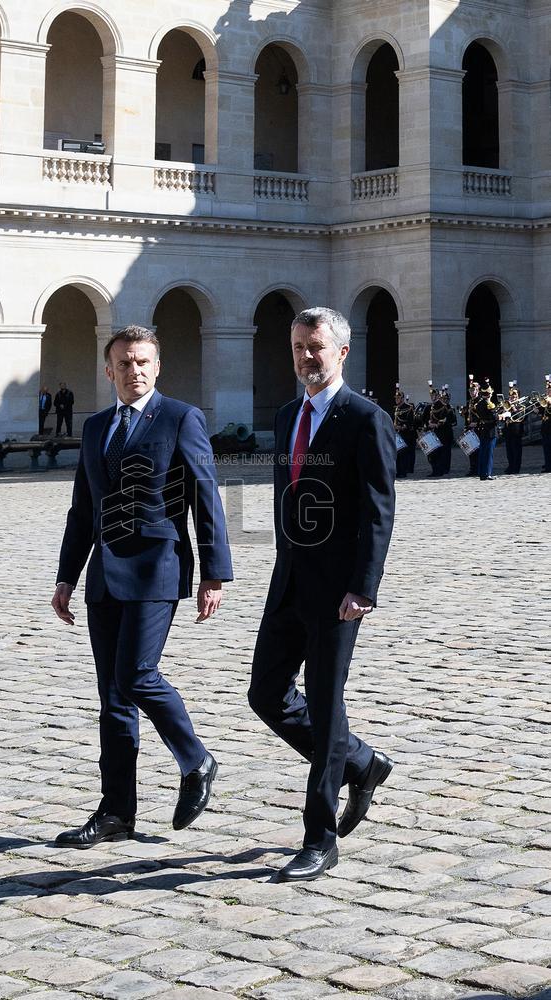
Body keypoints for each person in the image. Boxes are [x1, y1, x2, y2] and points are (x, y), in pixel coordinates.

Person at [51, 325, 233, 848]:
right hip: (104, 575)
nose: (135, 370)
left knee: (136, 674)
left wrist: (213, 572)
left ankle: (195, 759)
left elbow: (205, 496)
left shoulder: (181, 417)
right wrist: (67, 575)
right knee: (112, 696)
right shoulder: (96, 427)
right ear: (109, 370)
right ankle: (116, 811)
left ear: (157, 367)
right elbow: (82, 508)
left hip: (158, 568)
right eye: (126, 362)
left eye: (144, 361)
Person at [248, 307, 396, 882]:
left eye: (316, 347)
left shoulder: (366, 418)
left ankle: (320, 838)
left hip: (339, 591)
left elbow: (379, 510)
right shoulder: (289, 415)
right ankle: (361, 762)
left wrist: (364, 587)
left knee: (326, 704)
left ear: (342, 351)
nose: (306, 357)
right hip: (289, 580)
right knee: (266, 693)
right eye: (298, 347)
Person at [475, 378, 498, 481]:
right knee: (489, 454)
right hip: (490, 431)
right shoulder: (489, 404)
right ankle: (487, 473)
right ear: (489, 394)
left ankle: (481, 473)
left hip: (483, 430)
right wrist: (501, 415)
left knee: (483, 452)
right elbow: (494, 418)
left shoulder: (479, 404)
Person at [500, 382, 525, 475]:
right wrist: (503, 411)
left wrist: (513, 407)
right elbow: (503, 417)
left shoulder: (522, 405)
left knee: (516, 450)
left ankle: (516, 468)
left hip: (517, 431)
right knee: (509, 451)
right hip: (508, 431)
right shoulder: (507, 405)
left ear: (518, 396)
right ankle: (510, 466)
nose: (512, 397)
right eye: (511, 396)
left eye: (514, 396)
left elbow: (520, 416)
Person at [394, 385, 415, 478]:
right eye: (396, 398)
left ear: (402, 399)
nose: (396, 399)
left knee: (403, 454)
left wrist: (401, 427)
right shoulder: (397, 408)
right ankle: (398, 471)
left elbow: (410, 422)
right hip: (398, 434)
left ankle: (403, 471)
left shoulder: (408, 408)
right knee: (397, 454)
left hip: (406, 434)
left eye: (398, 398)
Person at [461, 376, 481, 477]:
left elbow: (483, 416)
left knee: (477, 451)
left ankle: (478, 468)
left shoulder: (480, 401)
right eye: (470, 390)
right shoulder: (470, 402)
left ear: (478, 390)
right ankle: (473, 468)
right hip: (470, 428)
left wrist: (477, 423)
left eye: (473, 390)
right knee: (471, 450)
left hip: (478, 428)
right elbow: (468, 416)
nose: (472, 392)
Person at [537, 374, 551, 473]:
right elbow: (542, 412)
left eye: (549, 390)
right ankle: (548, 465)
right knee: (546, 448)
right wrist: (537, 409)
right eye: (547, 390)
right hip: (545, 428)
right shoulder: (546, 399)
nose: (548, 392)